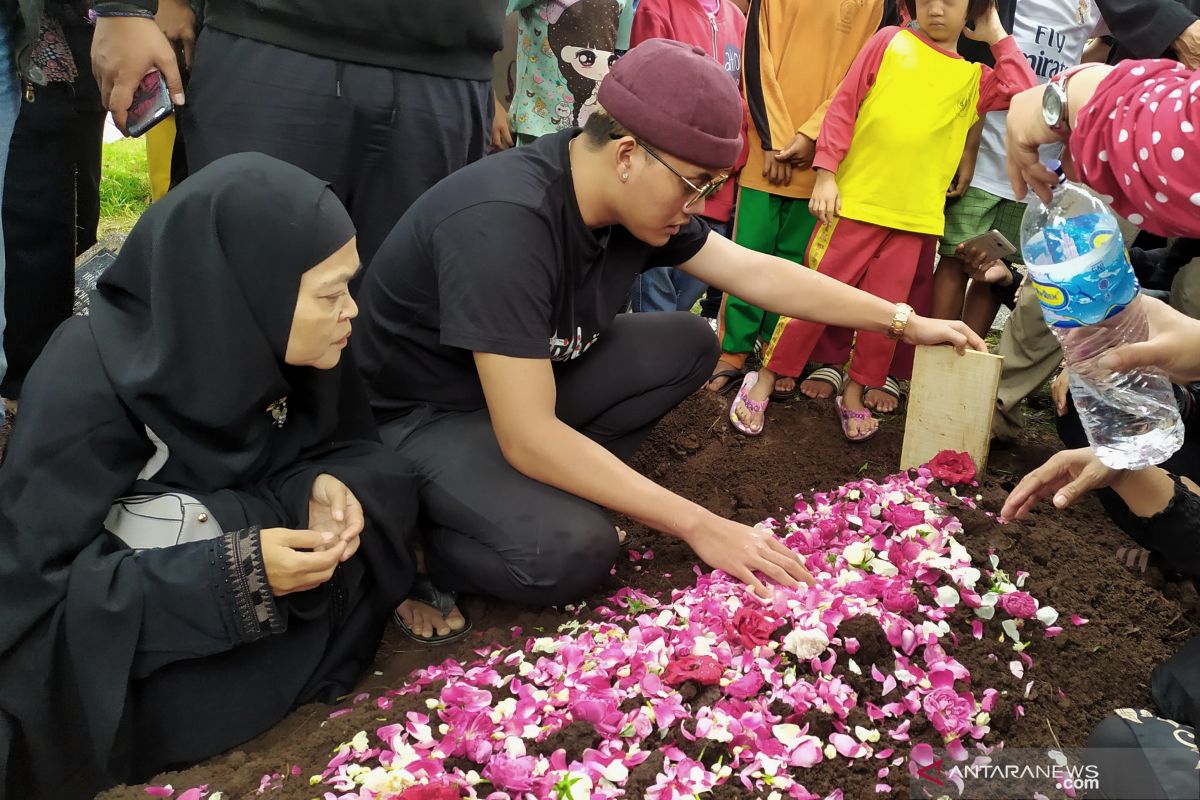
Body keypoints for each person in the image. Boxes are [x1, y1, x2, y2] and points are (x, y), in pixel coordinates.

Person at [355, 38, 984, 637]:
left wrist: (905, 321)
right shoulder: (505, 224)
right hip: (421, 417)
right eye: (695, 185)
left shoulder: (628, 201)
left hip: (514, 391)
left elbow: (755, 272)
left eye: (712, 187)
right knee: (573, 552)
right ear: (627, 154)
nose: (701, 205)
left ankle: (530, 493)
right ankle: (417, 547)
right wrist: (701, 525)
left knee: (687, 341)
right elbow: (526, 434)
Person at [0, 154, 418, 798]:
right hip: (156, 636)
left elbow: (357, 451)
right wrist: (233, 576)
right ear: (247, 286)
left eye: (348, 286)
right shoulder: (90, 378)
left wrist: (322, 485)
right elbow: (31, 603)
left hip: (255, 599)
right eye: (330, 293)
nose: (352, 313)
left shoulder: (301, 351)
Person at [735, 0, 1036, 440]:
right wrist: (826, 174)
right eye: (928, 0)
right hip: (855, 206)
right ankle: (764, 377)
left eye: (952, 2)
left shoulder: (974, 78)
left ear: (971, 10)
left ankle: (856, 391)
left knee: (889, 315)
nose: (937, 10)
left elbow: (1024, 92)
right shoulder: (888, 42)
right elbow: (844, 106)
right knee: (812, 297)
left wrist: (993, 31)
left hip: (916, 222)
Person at [90, 0, 505, 266]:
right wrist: (123, 7)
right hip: (271, 37)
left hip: (451, 63)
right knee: (228, 300)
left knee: (403, 328)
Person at [705, 0, 889, 399]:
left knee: (798, 260)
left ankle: (777, 355)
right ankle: (733, 352)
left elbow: (860, 74)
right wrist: (774, 140)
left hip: (821, 160)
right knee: (747, 254)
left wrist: (812, 136)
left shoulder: (878, 4)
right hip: (765, 153)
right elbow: (757, 61)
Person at [931, 0, 1102, 335]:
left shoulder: (1091, 6)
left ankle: (972, 355)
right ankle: (931, 351)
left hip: (1038, 164)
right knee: (956, 254)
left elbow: (1117, 34)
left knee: (999, 260)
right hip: (986, 154)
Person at [1, 0, 106, 408]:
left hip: (73, 37)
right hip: (37, 48)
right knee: (32, 215)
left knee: (68, 212)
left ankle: (43, 374)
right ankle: (27, 380)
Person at [625, 0, 746, 314]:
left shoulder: (736, 18)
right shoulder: (658, 7)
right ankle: (651, 348)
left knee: (694, 280)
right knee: (654, 282)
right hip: (668, 180)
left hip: (717, 186)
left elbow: (743, 99)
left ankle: (665, 342)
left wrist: (729, 163)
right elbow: (648, 89)